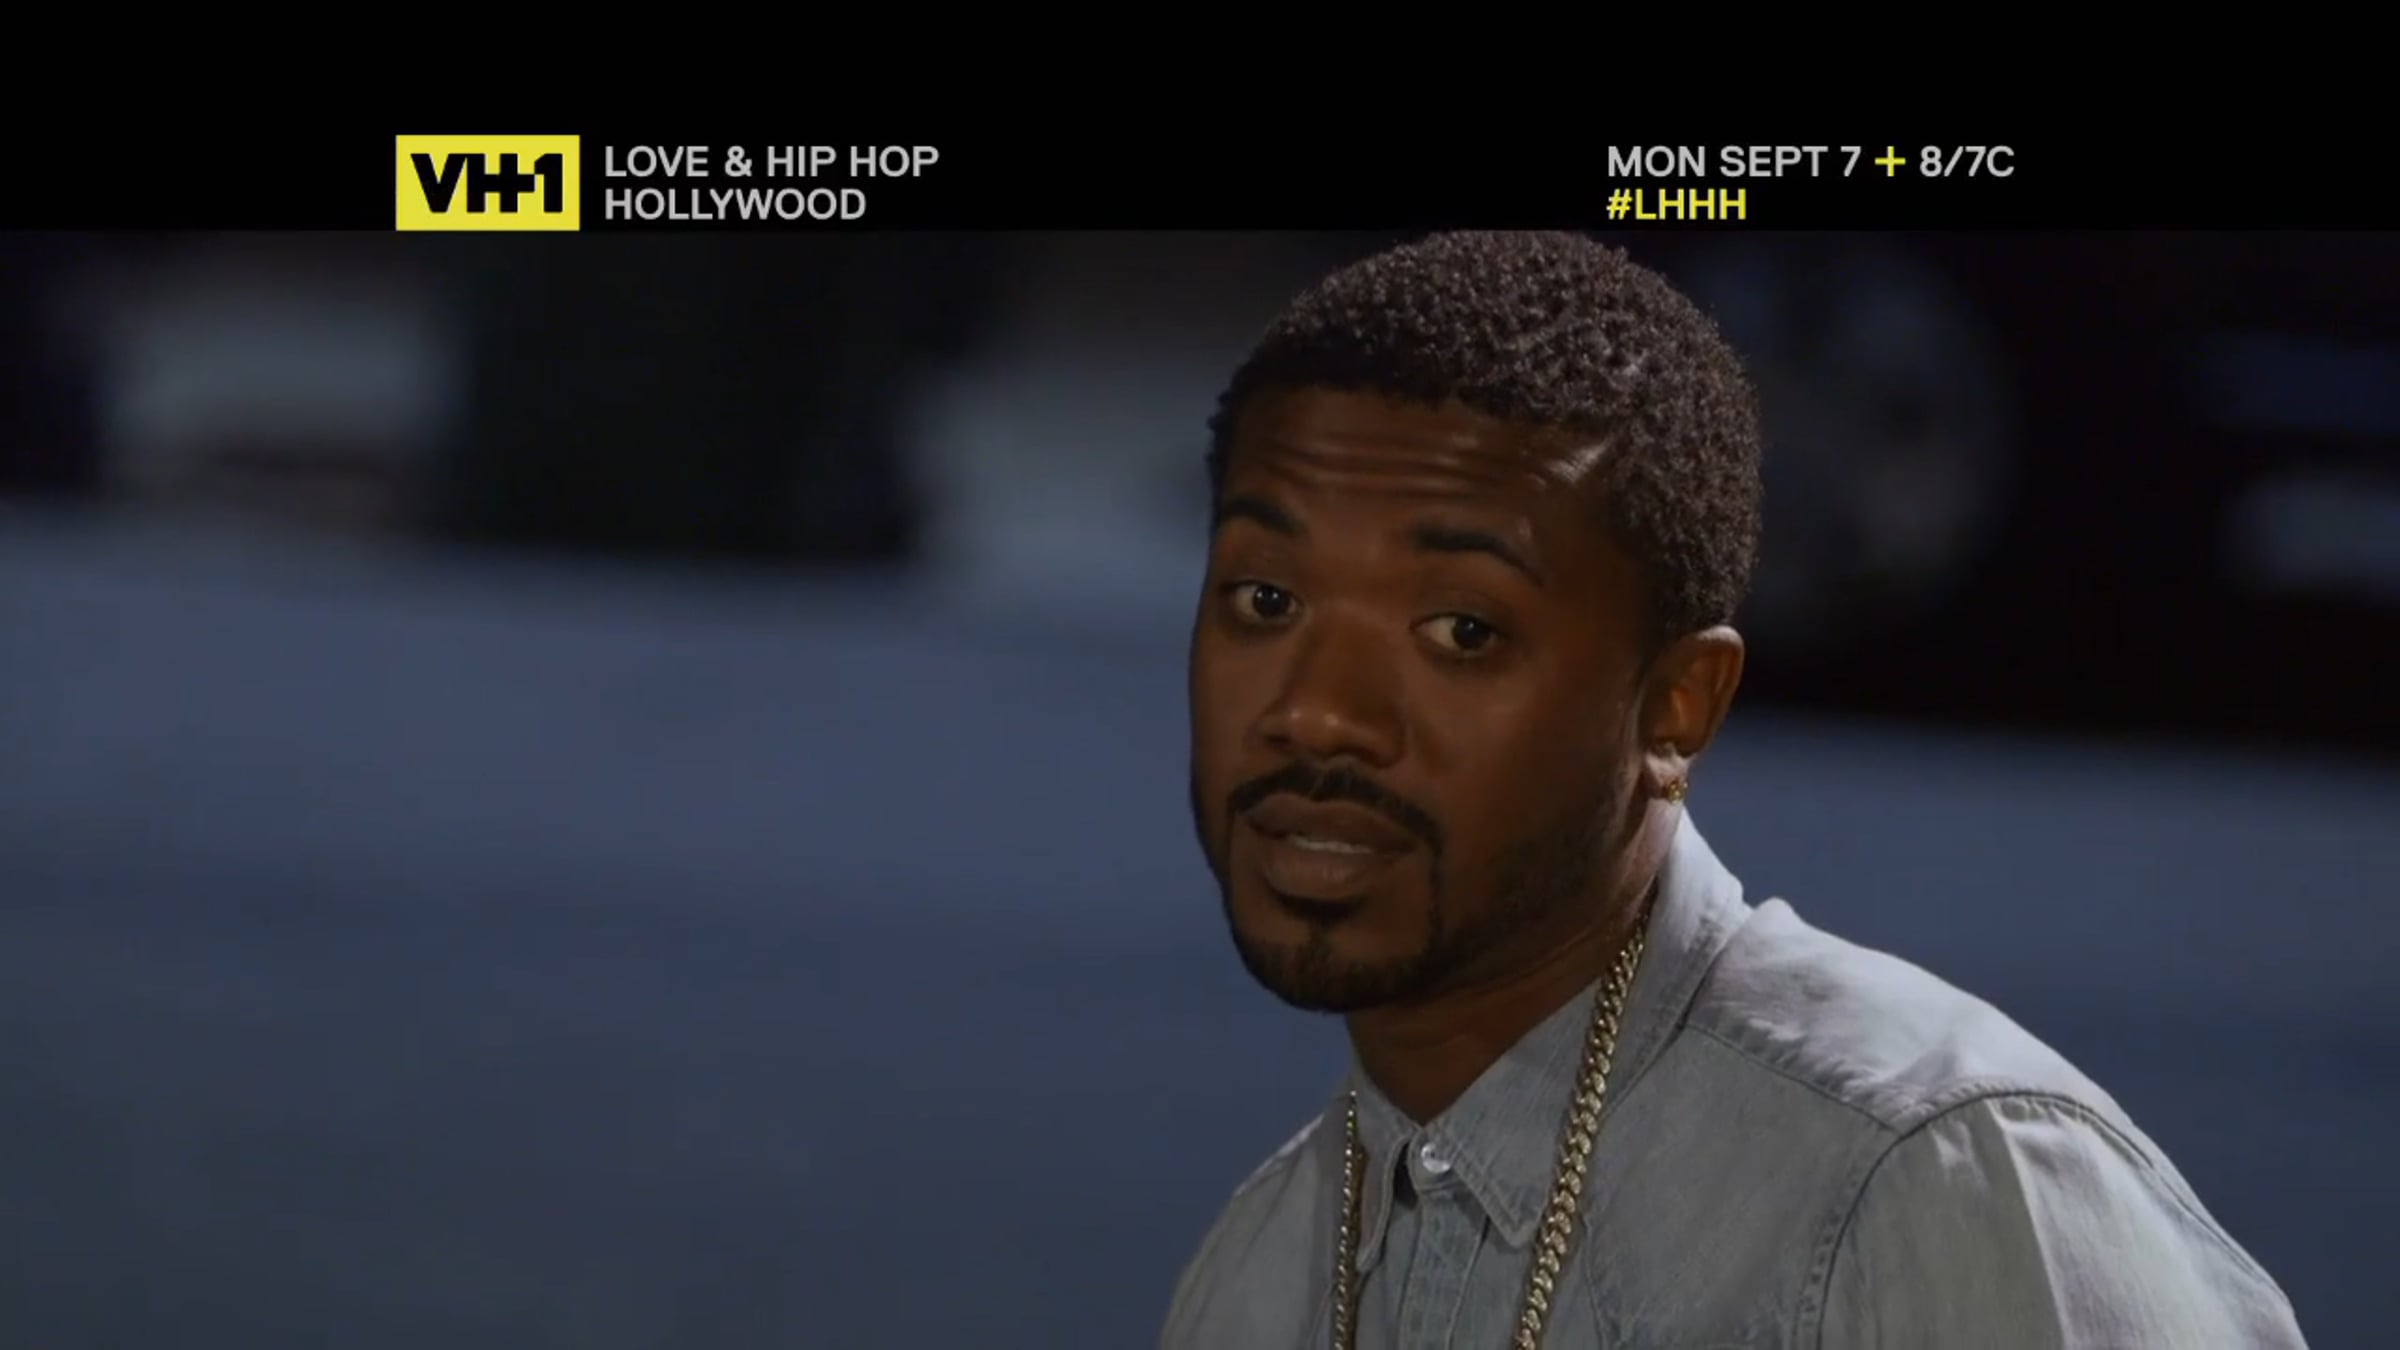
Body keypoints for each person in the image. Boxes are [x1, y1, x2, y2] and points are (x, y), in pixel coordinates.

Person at [1160, 230, 2305, 1348]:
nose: (1319, 712)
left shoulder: (1921, 1179)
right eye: (1266, 601)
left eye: (1462, 629)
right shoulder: (1260, 1268)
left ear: (1677, 708)